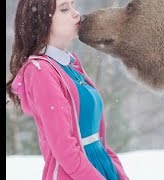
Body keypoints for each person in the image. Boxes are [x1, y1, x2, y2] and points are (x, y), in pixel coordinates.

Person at [6, 0, 129, 179]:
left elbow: (96, 138)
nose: (76, 14)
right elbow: (65, 150)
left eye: (73, 5)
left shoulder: (71, 64)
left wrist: (116, 171)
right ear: (41, 20)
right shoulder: (41, 72)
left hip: (100, 169)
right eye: (64, 9)